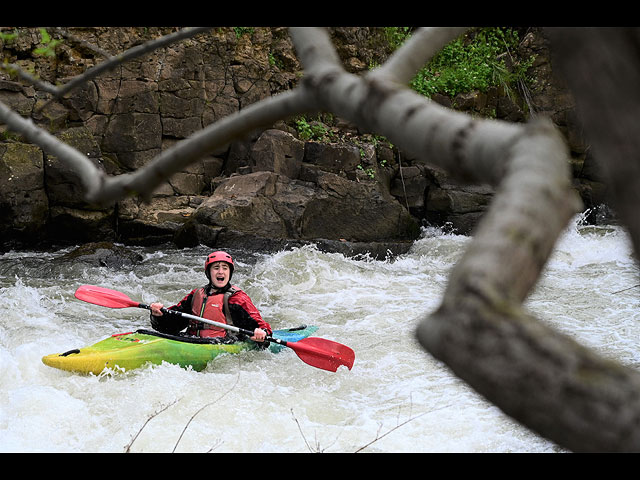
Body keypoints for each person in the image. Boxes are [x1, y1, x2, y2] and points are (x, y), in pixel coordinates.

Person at [149, 251, 271, 344]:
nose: (221, 272)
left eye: (225, 268)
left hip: (221, 343)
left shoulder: (237, 298)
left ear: (230, 272)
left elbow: (260, 326)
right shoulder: (196, 294)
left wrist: (262, 333)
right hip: (192, 341)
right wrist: (158, 315)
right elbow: (170, 326)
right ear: (209, 272)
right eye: (216, 268)